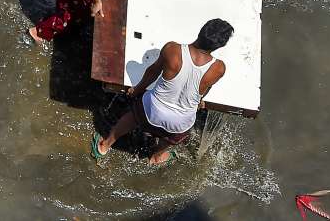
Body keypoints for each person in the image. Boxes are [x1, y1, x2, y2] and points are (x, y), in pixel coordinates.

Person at [93, 19, 234, 165]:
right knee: (178, 132)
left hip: (150, 113)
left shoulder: (172, 49)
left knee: (133, 116)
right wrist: (199, 101)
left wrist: (137, 90)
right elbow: (204, 89)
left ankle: (105, 145)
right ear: (220, 46)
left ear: (201, 31)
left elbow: (152, 72)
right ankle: (156, 157)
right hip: (179, 126)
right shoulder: (219, 68)